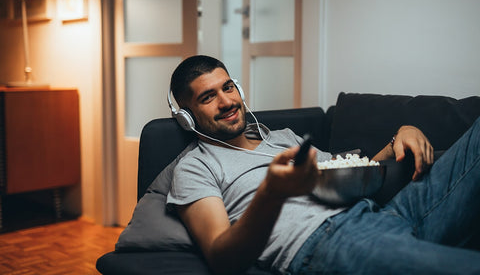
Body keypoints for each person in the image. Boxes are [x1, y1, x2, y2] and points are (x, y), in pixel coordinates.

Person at [166, 55, 480, 274]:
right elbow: (222, 258)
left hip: (387, 214)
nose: (227, 102)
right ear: (187, 117)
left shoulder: (282, 137)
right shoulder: (195, 167)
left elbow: (352, 172)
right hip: (328, 240)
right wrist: (272, 193)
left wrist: (399, 135)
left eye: (228, 87)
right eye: (208, 97)